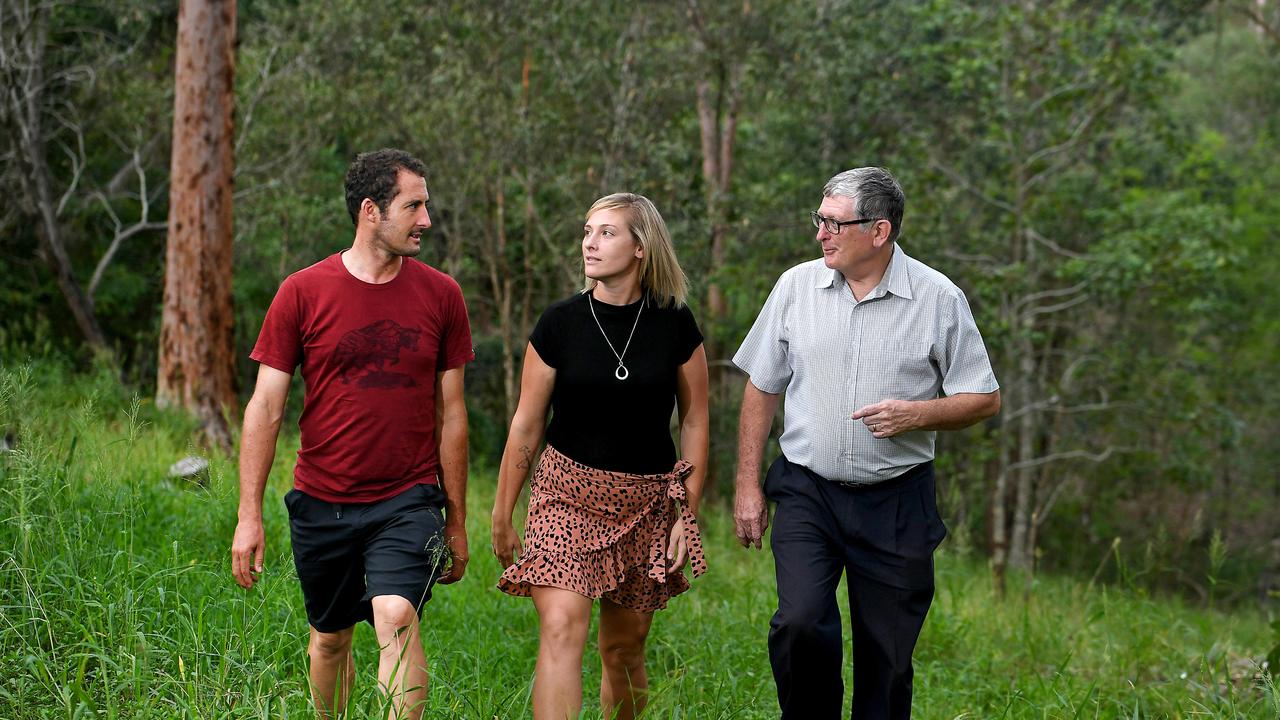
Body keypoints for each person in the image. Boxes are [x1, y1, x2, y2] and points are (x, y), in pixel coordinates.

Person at [733, 167, 1001, 719]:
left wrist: (919, 414)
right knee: (801, 623)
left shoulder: (938, 298)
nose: (821, 234)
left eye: (834, 223)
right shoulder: (795, 287)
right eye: (820, 220)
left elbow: (983, 398)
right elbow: (761, 385)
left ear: (879, 232)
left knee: (889, 657)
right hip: (809, 491)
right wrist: (746, 487)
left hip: (897, 501)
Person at [230, 148, 474, 719]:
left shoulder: (442, 296)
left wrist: (456, 520)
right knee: (331, 640)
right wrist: (248, 513)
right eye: (413, 206)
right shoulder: (302, 292)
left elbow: (453, 415)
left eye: (426, 205)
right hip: (322, 500)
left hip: (408, 497)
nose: (426, 220)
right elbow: (265, 407)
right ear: (371, 211)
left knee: (395, 613)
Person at [490, 192, 709, 720]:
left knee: (623, 649)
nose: (590, 242)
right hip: (565, 495)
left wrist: (690, 513)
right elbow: (526, 423)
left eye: (607, 232)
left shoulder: (674, 323)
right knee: (563, 628)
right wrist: (502, 512)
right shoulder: (560, 323)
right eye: (588, 230)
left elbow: (697, 420)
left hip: (645, 505)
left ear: (641, 246)